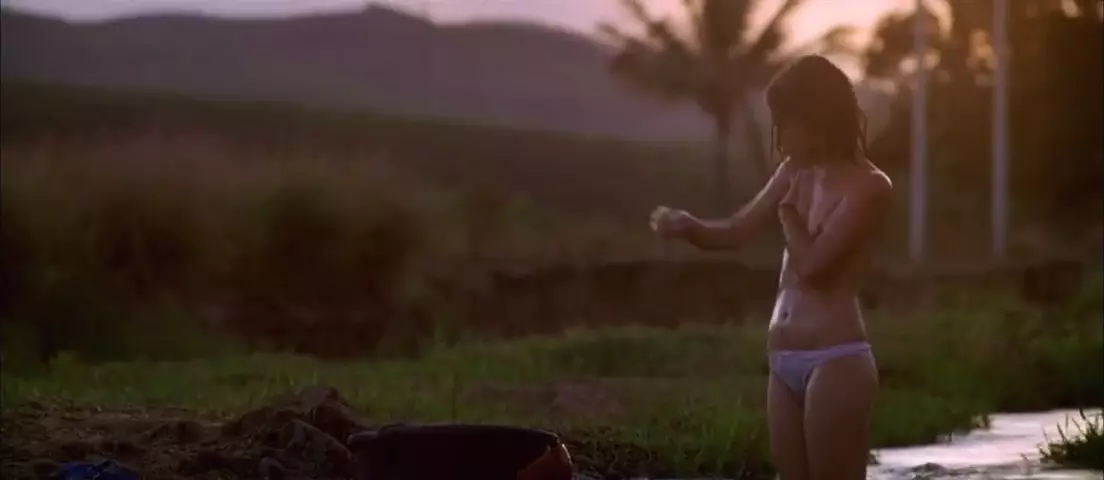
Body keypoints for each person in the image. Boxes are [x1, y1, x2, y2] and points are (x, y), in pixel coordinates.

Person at [649, 55, 893, 480]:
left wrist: (788, 216)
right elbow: (736, 230)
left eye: (786, 122)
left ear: (818, 117)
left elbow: (814, 268)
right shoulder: (793, 172)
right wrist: (689, 227)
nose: (778, 135)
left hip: (835, 361)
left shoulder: (870, 186)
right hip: (783, 362)